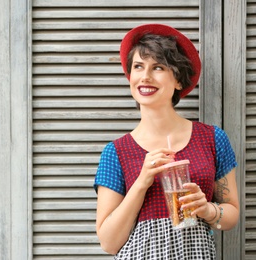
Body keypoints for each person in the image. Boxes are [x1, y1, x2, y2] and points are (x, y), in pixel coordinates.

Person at [94, 24, 240, 259]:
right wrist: (142, 181)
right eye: (138, 67)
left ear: (179, 81)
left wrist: (207, 209)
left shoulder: (213, 139)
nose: (145, 77)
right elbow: (109, 243)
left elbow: (231, 214)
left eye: (158, 67)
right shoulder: (116, 152)